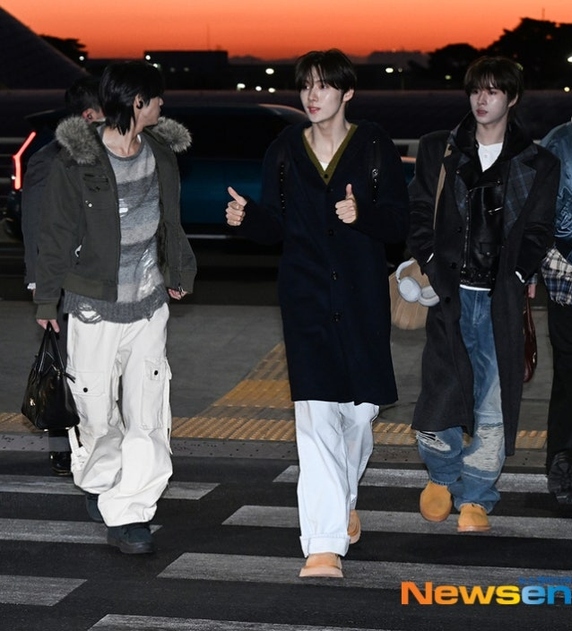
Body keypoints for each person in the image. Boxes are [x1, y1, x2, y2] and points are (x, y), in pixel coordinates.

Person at [225, 49, 409, 577]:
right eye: (306, 85)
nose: (312, 95)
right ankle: (323, 544)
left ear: (347, 92)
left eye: (324, 85)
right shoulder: (285, 149)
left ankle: (342, 500)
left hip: (361, 299)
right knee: (316, 417)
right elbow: (277, 226)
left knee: (359, 415)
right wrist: (249, 218)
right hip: (304, 298)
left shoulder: (373, 145)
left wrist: (362, 213)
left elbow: (398, 222)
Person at [34, 61, 197, 554]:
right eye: (156, 98)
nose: (162, 105)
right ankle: (102, 479)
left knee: (148, 411)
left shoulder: (161, 153)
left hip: (148, 305)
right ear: (137, 103)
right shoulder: (76, 161)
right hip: (93, 306)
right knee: (95, 411)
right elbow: (55, 233)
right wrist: (46, 298)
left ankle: (130, 514)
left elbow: (171, 220)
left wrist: (178, 272)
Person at [407, 56, 559, 532]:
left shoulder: (538, 163)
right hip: (451, 295)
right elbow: (418, 212)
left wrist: (517, 275)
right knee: (440, 394)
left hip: (499, 301)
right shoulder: (440, 148)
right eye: (476, 90)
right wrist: (433, 263)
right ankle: (441, 476)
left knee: (492, 403)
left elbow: (539, 229)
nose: (481, 99)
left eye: (493, 91)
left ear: (512, 98)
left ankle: (476, 495)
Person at [21, 76, 104, 477]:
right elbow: (36, 226)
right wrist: (43, 290)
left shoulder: (108, 154)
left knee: (91, 366)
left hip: (100, 281)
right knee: (66, 366)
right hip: (66, 283)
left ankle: (93, 440)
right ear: (88, 116)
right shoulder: (50, 159)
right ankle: (63, 446)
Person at [540, 112, 572, 504]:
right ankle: (565, 461)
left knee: (570, 373)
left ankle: (565, 460)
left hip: (564, 270)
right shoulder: (559, 141)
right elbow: (542, 212)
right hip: (568, 274)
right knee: (570, 372)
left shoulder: (557, 139)